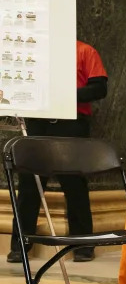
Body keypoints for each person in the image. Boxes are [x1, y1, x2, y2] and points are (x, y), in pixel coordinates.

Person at [7, 41, 108, 263]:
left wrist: (65, 95)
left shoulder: (85, 50)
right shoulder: (33, 51)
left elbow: (100, 88)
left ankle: (82, 245)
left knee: (74, 183)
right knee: (29, 183)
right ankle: (20, 246)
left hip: (71, 121)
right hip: (38, 121)